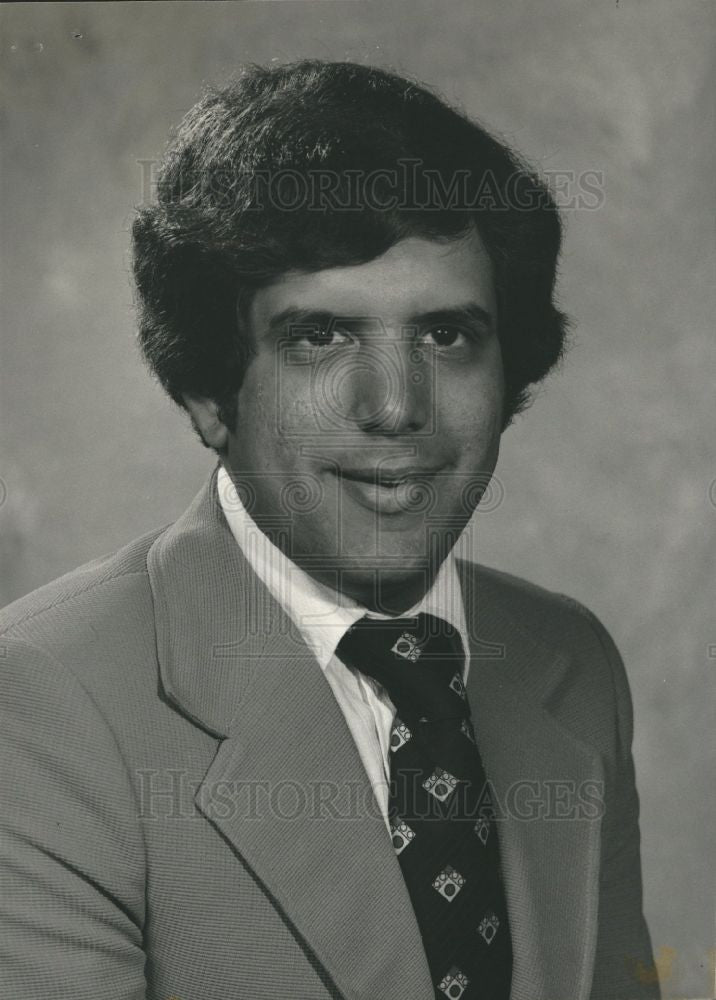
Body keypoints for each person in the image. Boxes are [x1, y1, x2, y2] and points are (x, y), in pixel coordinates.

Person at [0, 60, 658, 1000]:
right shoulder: (39, 708)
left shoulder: (570, 660)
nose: (395, 408)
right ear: (207, 392)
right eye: (322, 337)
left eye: (445, 336)